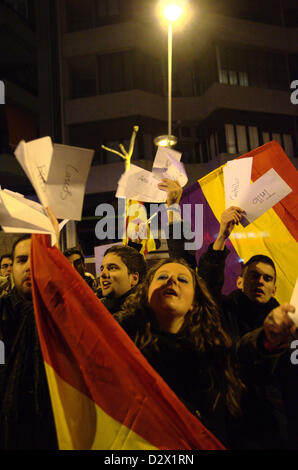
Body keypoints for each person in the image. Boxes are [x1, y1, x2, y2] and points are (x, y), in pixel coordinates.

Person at [114, 257, 295, 448]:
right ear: (146, 292)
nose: (171, 281)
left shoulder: (213, 352)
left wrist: (266, 337)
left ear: (194, 300)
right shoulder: (118, 338)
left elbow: (240, 354)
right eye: (162, 277)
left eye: (183, 280)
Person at [198, 206, 298, 448]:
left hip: (276, 428)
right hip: (231, 423)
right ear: (241, 281)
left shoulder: (289, 325)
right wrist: (222, 236)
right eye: (253, 276)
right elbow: (206, 288)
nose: (260, 281)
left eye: (267, 278)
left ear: (275, 288)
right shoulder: (224, 310)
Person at [0, 235, 58, 449]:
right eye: (22, 260)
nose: (29, 266)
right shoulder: (2, 313)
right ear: (12, 268)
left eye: (37, 259)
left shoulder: (65, 316)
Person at [99, 244, 147, 314]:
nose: (102, 274)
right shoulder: (97, 309)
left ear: (134, 278)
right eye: (102, 269)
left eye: (112, 268)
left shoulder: (145, 317)